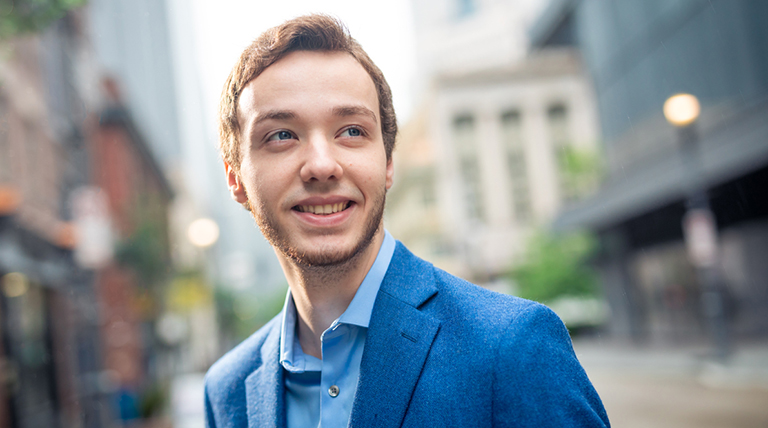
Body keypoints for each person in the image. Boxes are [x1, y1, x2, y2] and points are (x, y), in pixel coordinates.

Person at [204, 14, 610, 428]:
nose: (322, 165)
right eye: (282, 136)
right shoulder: (227, 392)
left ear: (388, 163)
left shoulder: (512, 348)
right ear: (236, 178)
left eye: (351, 131)